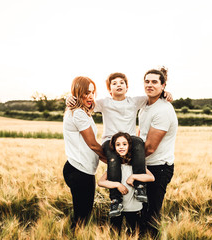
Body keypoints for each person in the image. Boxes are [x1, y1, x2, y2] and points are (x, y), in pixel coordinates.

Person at [66, 72, 172, 218]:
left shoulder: (135, 101)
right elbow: (85, 102)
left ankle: (140, 185)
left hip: (129, 140)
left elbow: (153, 95)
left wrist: (165, 93)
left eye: (121, 83)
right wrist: (71, 98)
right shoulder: (103, 102)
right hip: (110, 141)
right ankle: (116, 199)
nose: (118, 85)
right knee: (113, 161)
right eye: (114, 83)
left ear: (127, 87)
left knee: (139, 142)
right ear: (109, 89)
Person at [138, 67, 178, 238]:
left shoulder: (163, 110)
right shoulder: (145, 105)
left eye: (154, 82)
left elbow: (150, 147)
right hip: (146, 165)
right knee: (141, 210)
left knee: (152, 213)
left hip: (159, 168)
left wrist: (125, 160)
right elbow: (142, 133)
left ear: (163, 86)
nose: (149, 85)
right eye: (147, 81)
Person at [62, 76, 106, 229]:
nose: (90, 97)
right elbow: (93, 144)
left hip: (79, 169)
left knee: (82, 215)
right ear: (77, 92)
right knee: (82, 218)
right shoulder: (79, 114)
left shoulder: (80, 111)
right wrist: (113, 160)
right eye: (86, 93)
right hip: (80, 171)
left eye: (93, 93)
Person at [98, 132, 155, 235]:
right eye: (118, 144)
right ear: (114, 147)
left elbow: (151, 178)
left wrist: (134, 176)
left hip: (135, 208)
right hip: (118, 209)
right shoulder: (114, 167)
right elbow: (101, 182)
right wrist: (117, 185)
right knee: (114, 234)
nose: (121, 147)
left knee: (135, 234)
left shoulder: (137, 165)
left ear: (129, 146)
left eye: (124, 144)